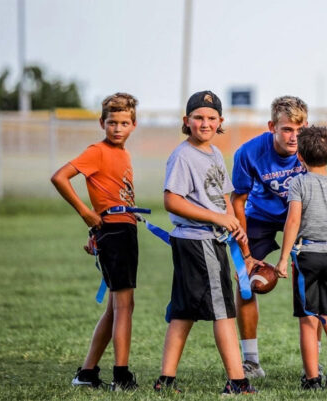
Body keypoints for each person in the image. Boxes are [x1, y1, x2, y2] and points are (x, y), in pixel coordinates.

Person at [152, 91, 256, 395]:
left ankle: (165, 381)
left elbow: (224, 196)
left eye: (211, 118)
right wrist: (217, 218)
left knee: (183, 312)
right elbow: (172, 200)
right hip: (198, 242)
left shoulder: (213, 153)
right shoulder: (184, 155)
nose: (205, 123)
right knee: (224, 311)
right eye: (198, 117)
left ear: (220, 121)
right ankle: (238, 381)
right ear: (187, 121)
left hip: (211, 240)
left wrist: (232, 223)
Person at [51, 92, 141, 390]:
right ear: (102, 123)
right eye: (112, 123)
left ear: (133, 124)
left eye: (124, 123)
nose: (117, 128)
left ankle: (87, 374)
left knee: (116, 307)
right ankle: (121, 376)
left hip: (122, 229)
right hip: (114, 231)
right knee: (124, 306)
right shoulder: (97, 151)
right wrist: (86, 214)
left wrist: (94, 230)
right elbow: (60, 177)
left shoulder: (124, 154)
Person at [231, 96, 313, 378]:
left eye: (299, 130)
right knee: (244, 282)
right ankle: (251, 361)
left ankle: (311, 364)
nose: (294, 137)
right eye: (287, 129)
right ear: (272, 127)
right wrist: (244, 251)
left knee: (309, 282)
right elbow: (238, 199)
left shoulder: (309, 148)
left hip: (300, 214)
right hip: (260, 215)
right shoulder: (248, 152)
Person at [275, 125, 327, 390]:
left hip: (306, 257)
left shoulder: (298, 183)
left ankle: (312, 378)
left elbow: (293, 221)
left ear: (299, 156)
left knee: (309, 320)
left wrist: (281, 259)